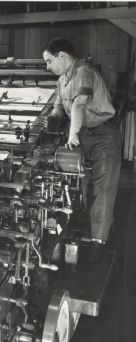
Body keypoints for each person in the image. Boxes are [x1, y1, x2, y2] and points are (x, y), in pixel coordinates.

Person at [43, 37, 121, 263]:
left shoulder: (84, 73)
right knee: (81, 182)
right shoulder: (63, 79)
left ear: (62, 56)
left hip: (102, 135)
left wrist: (72, 134)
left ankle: (98, 242)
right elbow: (59, 107)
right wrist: (50, 121)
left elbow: (79, 105)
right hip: (83, 133)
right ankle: (92, 227)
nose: (47, 67)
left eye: (49, 61)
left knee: (103, 187)